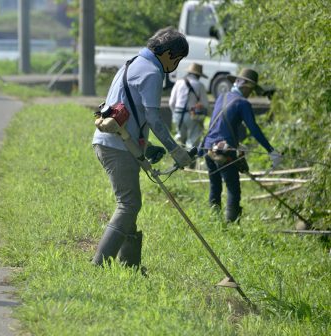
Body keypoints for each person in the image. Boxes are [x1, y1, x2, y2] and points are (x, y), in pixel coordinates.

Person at [91, 28, 193, 270]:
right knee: (129, 204)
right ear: (168, 54)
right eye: (177, 59)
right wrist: (175, 150)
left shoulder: (133, 63)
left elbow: (130, 113)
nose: (176, 65)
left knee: (130, 206)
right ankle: (98, 265)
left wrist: (147, 147)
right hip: (117, 146)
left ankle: (131, 266)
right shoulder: (152, 72)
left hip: (114, 142)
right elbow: (154, 119)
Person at [201, 68, 282, 222]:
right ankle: (230, 227)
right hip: (224, 151)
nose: (250, 94)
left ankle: (214, 221)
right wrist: (271, 151)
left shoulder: (222, 97)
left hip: (208, 147)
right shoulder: (243, 103)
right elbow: (254, 129)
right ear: (246, 86)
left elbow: (217, 125)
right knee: (233, 189)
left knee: (215, 186)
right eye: (251, 91)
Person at [169, 63, 209, 155]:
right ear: (198, 75)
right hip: (193, 115)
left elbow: (171, 102)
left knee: (180, 140)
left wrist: (175, 115)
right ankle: (191, 164)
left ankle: (179, 162)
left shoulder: (178, 83)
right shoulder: (199, 85)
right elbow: (205, 104)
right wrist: (207, 114)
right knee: (193, 141)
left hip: (178, 114)